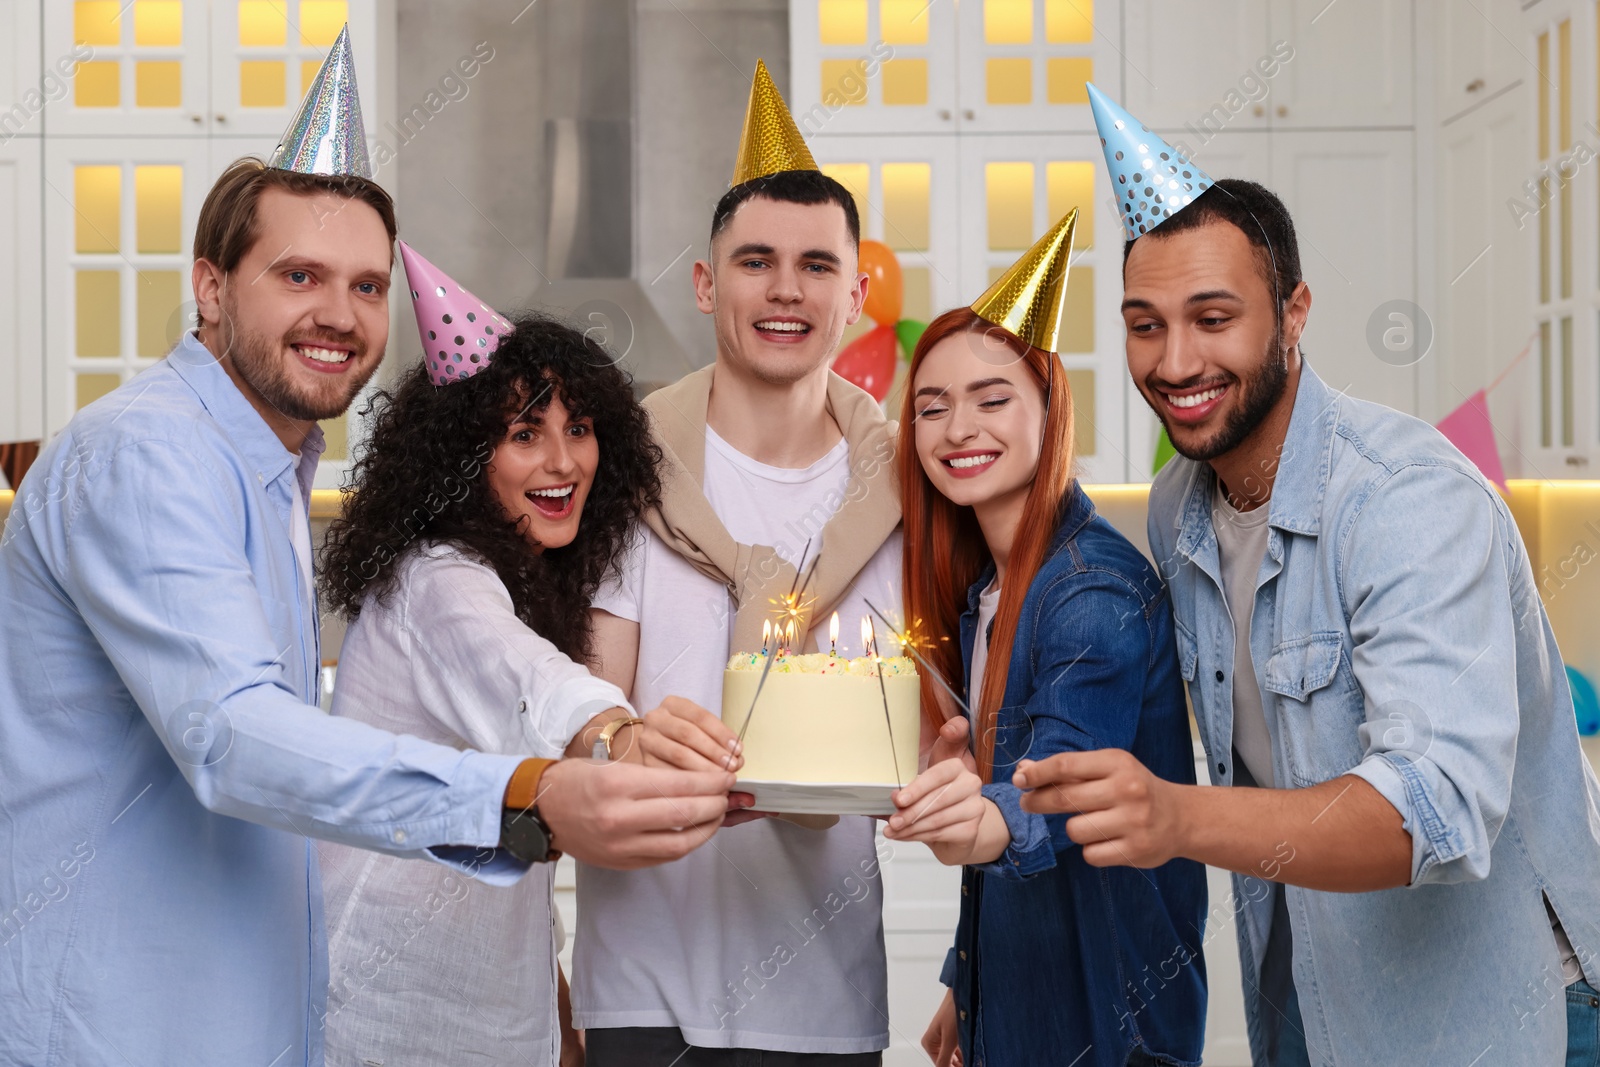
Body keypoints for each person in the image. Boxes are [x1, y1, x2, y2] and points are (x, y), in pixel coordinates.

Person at [0, 44, 733, 1065]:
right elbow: (233, 736)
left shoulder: (267, 474)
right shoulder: (147, 453)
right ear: (210, 288)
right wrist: (526, 792)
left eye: (363, 284)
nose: (338, 315)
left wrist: (607, 738)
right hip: (120, 1025)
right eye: (298, 275)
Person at [1015, 86, 1600, 1066]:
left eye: (1212, 317)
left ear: (1293, 313)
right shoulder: (1176, 508)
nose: (1175, 359)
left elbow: (1437, 804)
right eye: (1143, 324)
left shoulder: (1406, 501)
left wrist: (1175, 814)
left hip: (1503, 1013)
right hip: (1314, 989)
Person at [316, 243, 747, 1066]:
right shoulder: (439, 580)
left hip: (496, 1010)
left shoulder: (523, 585)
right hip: (388, 1009)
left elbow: (505, 829)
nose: (563, 461)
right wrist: (621, 733)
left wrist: (558, 1012)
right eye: (525, 433)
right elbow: (531, 683)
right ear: (461, 461)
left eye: (579, 429)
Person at [578, 61, 904, 1064]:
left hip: (824, 985)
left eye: (815, 266)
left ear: (855, 291)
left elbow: (939, 732)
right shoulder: (625, 472)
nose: (784, 289)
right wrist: (626, 741)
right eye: (755, 260)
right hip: (639, 983)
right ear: (707, 282)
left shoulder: (906, 497)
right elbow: (588, 706)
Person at [882, 212, 1206, 1067]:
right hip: (1023, 995)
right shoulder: (987, 595)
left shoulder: (1091, 590)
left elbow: (1058, 787)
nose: (959, 429)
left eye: (993, 400)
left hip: (1107, 1010)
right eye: (932, 407)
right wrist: (969, 976)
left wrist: (972, 820)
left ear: (1048, 408)